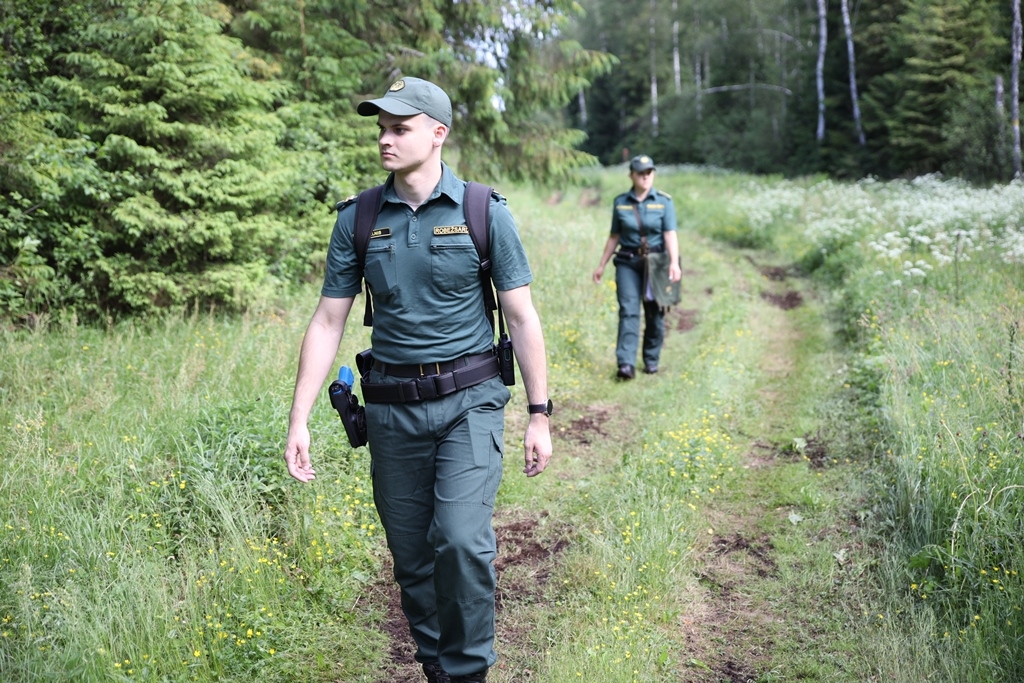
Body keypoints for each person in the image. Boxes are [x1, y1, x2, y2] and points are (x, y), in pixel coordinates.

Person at [283, 77, 553, 683]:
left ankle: (467, 672)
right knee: (411, 558)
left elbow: (521, 315)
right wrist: (298, 418)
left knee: (460, 542)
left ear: (438, 134)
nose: (385, 139)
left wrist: (539, 413)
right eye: (381, 127)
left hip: (470, 403)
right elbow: (329, 320)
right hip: (390, 412)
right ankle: (437, 666)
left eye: (399, 128)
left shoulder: (484, 212)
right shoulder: (358, 219)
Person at [592, 154, 681, 379]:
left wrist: (674, 263)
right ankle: (626, 364)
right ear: (631, 175)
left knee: (655, 313)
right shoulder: (620, 202)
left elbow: (670, 234)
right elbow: (614, 236)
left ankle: (651, 360)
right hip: (627, 263)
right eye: (640, 173)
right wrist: (601, 264)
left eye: (649, 172)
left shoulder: (664, 201)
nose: (645, 176)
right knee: (629, 311)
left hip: (657, 264)